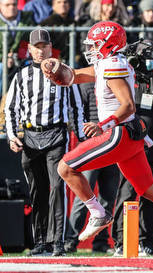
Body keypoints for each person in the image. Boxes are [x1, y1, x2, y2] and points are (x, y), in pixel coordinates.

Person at [42, 21, 153, 259]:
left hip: (119, 132)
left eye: (96, 44)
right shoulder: (108, 62)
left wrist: (102, 125)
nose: (91, 48)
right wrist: (56, 67)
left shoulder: (112, 64)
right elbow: (74, 77)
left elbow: (128, 106)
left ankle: (98, 212)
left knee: (66, 168)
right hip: (130, 135)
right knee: (148, 188)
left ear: (109, 44)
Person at [4, 28, 85, 256]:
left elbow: (76, 106)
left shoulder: (64, 73)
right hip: (30, 137)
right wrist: (12, 135)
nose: (41, 51)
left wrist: (80, 135)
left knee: (57, 188)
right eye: (36, 47)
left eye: (44, 46)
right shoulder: (21, 76)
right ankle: (40, 241)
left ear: (51, 48)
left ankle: (57, 241)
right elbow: (11, 108)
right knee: (37, 191)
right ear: (29, 50)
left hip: (56, 136)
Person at [110, 40, 153, 256]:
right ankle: (121, 241)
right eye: (147, 56)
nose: (151, 61)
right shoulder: (126, 80)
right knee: (127, 193)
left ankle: (148, 242)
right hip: (134, 145)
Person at [64, 83, 119, 254]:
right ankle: (70, 240)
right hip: (92, 146)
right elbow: (76, 114)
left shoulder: (116, 80)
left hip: (113, 144)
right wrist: (85, 136)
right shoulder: (86, 85)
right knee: (84, 196)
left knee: (108, 197)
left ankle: (101, 242)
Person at [0, 0, 35, 97]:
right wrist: (4, 57)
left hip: (23, 58)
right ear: (0, 6)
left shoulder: (28, 18)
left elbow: (31, 40)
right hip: (2, 61)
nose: (11, 7)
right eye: (7, 5)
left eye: (14, 4)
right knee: (1, 69)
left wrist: (19, 56)